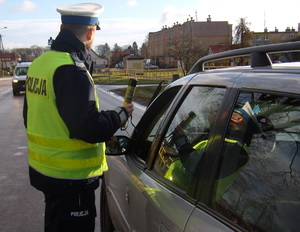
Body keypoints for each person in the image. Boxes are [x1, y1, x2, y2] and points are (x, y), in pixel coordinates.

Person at [23, 3, 134, 232]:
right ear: (91, 32)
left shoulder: (39, 64)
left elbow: (29, 117)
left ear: (62, 27)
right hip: (72, 181)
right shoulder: (71, 69)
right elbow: (89, 128)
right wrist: (120, 115)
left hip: (47, 175)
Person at [165, 102, 262, 192]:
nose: (219, 114)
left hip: (182, 197)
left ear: (236, 119)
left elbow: (199, 167)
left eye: (229, 112)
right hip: (174, 191)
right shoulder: (224, 140)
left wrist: (181, 141)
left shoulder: (235, 149)